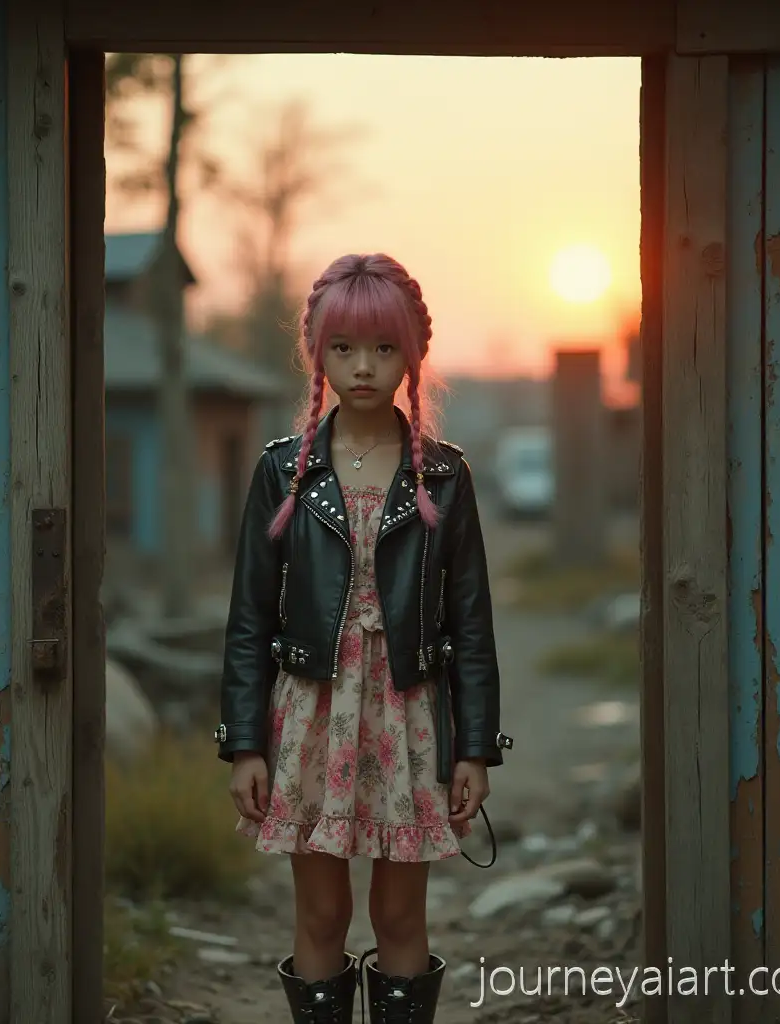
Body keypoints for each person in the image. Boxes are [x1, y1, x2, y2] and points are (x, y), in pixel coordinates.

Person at [214, 253, 513, 1023]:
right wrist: (245, 743)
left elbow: (470, 623)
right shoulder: (283, 472)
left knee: (400, 919)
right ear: (318, 352)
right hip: (313, 713)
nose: (364, 367)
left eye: (383, 348)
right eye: (343, 347)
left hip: (407, 717)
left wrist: (474, 747)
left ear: (412, 353)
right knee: (319, 917)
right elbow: (249, 620)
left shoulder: (445, 476)